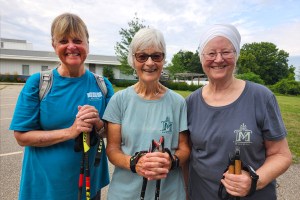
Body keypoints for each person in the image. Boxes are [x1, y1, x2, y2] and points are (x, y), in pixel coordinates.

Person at [9, 13, 114, 200]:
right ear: (54, 45)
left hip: (89, 185)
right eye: (63, 40)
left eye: (78, 40)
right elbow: (22, 137)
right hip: (46, 188)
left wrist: (97, 123)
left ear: (87, 44)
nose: (71, 46)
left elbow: (111, 132)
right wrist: (71, 131)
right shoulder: (38, 83)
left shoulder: (102, 84)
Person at [185, 24, 292, 200]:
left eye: (226, 52)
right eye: (211, 53)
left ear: (236, 55)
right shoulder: (190, 103)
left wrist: (254, 180)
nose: (218, 59)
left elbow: (281, 155)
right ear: (201, 58)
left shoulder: (261, 97)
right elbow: (188, 157)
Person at [103, 27, 190, 200]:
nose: (149, 63)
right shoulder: (119, 100)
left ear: (163, 59)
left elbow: (185, 148)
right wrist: (135, 162)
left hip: (169, 193)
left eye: (156, 56)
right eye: (142, 56)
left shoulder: (178, 102)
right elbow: (112, 149)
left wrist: (172, 160)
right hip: (125, 194)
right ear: (133, 60)